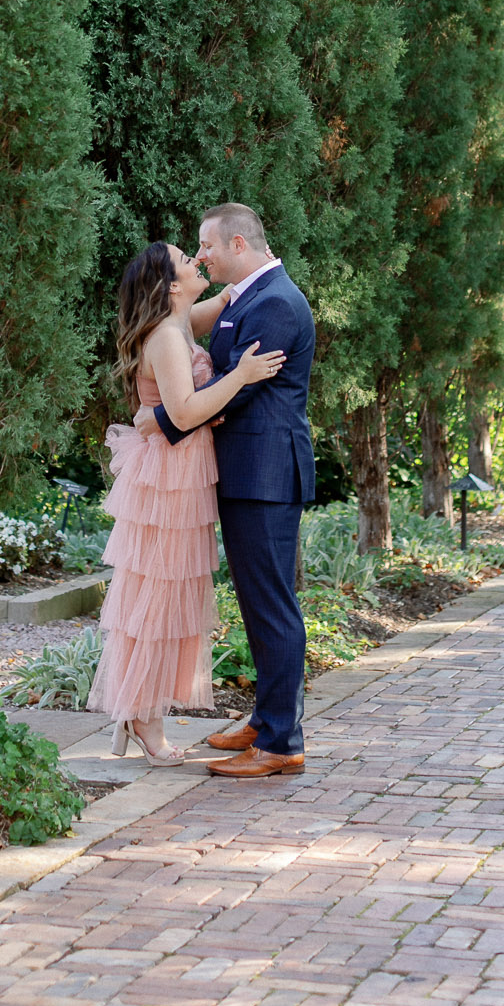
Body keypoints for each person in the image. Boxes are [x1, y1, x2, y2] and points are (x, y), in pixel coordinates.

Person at [87, 240, 285, 764]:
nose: (197, 260)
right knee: (160, 599)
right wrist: (240, 376)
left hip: (180, 474)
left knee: (169, 595)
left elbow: (226, 301)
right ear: (171, 285)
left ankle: (139, 712)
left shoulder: (180, 321)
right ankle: (144, 720)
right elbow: (186, 408)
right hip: (169, 479)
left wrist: (252, 258)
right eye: (186, 258)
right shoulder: (168, 338)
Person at [141, 202, 316, 779]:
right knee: (257, 603)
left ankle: (280, 742)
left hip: (265, 476)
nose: (202, 256)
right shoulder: (247, 297)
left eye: (208, 246)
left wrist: (163, 421)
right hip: (245, 472)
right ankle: (265, 720)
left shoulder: (277, 305)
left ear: (239, 245)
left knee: (273, 607)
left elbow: (236, 389)